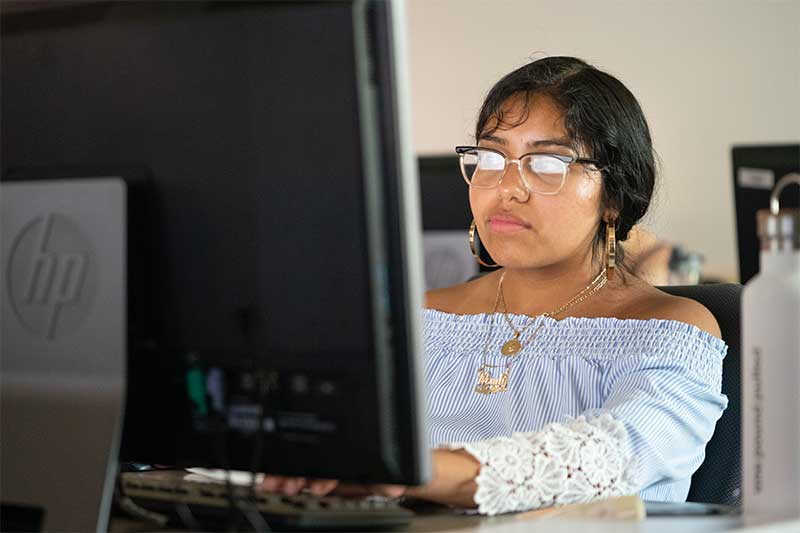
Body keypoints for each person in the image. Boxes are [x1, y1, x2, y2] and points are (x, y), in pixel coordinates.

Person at [261, 56, 727, 515]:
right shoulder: (417, 321)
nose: (507, 187)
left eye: (546, 163)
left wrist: (410, 470)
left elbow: (601, 459)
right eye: (490, 156)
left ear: (614, 196)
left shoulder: (672, 332)